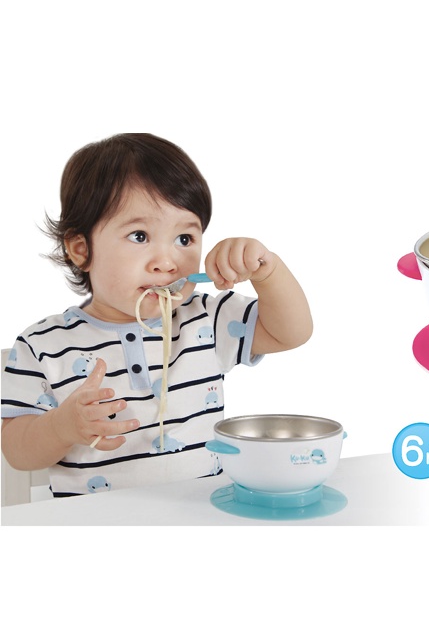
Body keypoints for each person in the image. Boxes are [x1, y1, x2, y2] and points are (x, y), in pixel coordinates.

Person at [1, 133, 313, 496]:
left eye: (184, 239)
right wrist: (61, 427)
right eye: (139, 236)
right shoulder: (42, 345)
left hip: (201, 512)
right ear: (81, 249)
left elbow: (292, 333)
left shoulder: (205, 319)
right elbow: (16, 452)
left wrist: (267, 272)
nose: (167, 262)